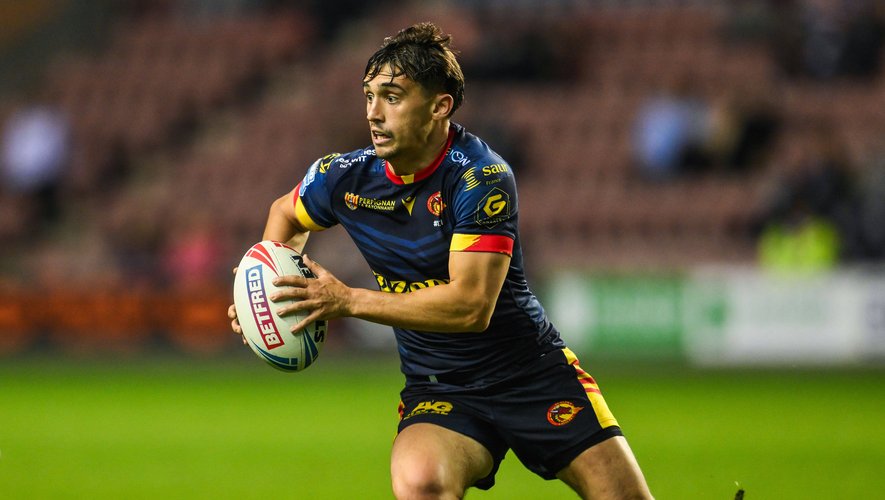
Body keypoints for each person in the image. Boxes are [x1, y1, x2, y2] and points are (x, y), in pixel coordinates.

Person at [228, 22, 653, 499]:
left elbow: (471, 307)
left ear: (439, 106)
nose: (373, 113)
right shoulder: (344, 177)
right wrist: (268, 293)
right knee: (421, 483)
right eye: (369, 96)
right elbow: (285, 213)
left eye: (391, 97)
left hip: (531, 373)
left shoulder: (480, 177)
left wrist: (347, 301)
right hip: (441, 389)